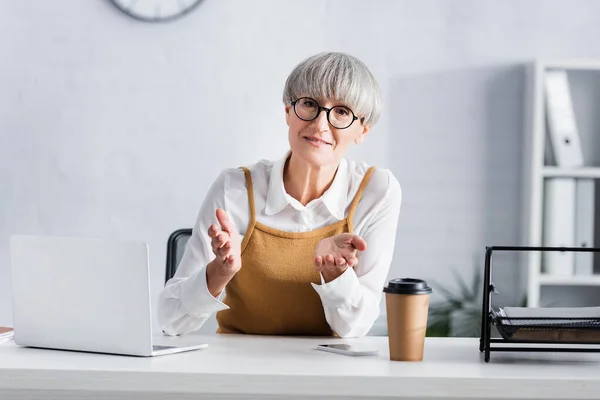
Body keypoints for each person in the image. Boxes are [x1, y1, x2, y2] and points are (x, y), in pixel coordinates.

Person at [157, 52, 402, 338]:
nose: (321, 125)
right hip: (238, 372)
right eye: (310, 104)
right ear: (288, 111)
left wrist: (336, 276)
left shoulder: (377, 192)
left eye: (342, 112)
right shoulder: (234, 188)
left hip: (330, 373)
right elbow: (170, 320)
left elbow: (355, 329)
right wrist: (219, 273)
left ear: (362, 130)